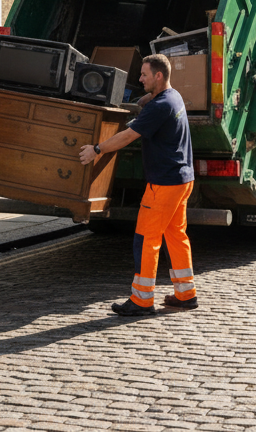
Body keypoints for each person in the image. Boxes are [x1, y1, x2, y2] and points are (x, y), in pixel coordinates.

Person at [80, 54, 196, 316]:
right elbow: (157, 105)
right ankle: (185, 294)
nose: (140, 78)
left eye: (144, 75)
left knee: (146, 239)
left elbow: (129, 135)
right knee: (176, 235)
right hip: (182, 179)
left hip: (164, 184)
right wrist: (147, 98)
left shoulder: (159, 107)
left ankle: (142, 300)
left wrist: (97, 149)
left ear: (158, 76)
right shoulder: (174, 96)